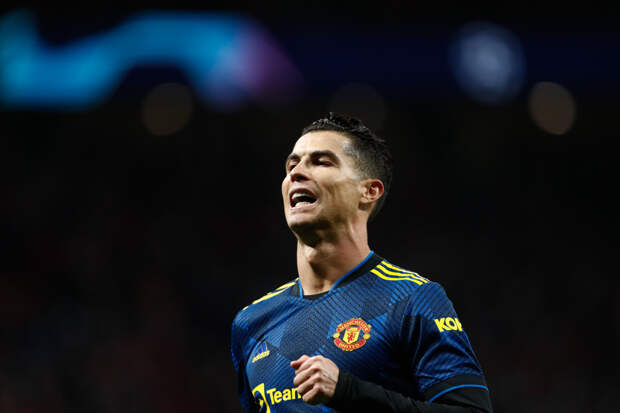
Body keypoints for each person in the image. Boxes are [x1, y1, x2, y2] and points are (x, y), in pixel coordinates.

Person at [230, 112, 492, 412]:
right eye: (292, 165)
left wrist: (349, 391)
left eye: (321, 162)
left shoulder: (411, 299)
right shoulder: (251, 323)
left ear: (369, 191)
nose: (297, 173)